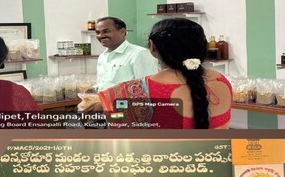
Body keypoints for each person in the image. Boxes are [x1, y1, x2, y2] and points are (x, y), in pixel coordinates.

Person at [97, 18, 232, 129]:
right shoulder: (221, 80)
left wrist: (102, 106)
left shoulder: (137, 90)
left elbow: (124, 137)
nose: (101, 35)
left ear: (152, 46)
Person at [91, 17, 159, 92]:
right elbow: (105, 84)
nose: (101, 36)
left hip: (126, 103)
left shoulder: (139, 53)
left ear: (122, 32)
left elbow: (148, 87)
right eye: (98, 32)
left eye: (106, 31)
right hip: (103, 102)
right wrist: (94, 89)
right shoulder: (103, 56)